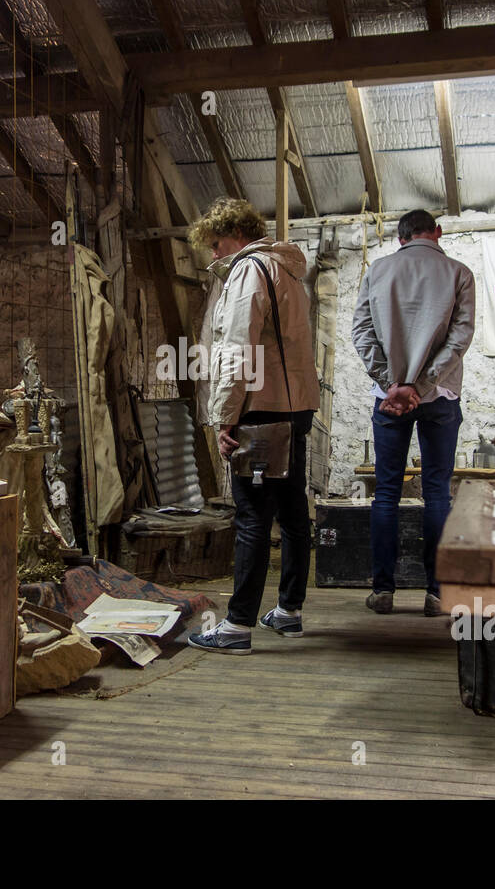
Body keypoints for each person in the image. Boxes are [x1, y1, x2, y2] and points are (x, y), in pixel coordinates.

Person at [188, 198, 320, 654]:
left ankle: (237, 626)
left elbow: (236, 351)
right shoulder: (288, 269)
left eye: (217, 244)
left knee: (252, 519)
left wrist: (224, 415)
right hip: (294, 407)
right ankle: (288, 612)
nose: (213, 255)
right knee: (294, 515)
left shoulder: (248, 270)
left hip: (260, 410)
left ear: (235, 235)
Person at [352, 209, 475, 616]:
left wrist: (393, 384)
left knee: (386, 492)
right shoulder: (459, 272)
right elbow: (459, 338)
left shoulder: (378, 270)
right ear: (436, 232)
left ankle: (383, 591)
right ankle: (437, 593)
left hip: (389, 397)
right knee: (436, 492)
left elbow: (362, 331)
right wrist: (420, 388)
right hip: (438, 397)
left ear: (401, 237)